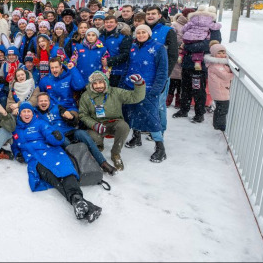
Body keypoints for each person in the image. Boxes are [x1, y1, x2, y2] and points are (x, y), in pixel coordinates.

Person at [12, 102, 102, 223]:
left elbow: (50, 134)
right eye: (24, 112)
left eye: (29, 111)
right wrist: (17, 153)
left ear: (33, 113)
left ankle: (77, 199)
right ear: (20, 114)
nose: (27, 114)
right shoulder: (16, 130)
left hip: (51, 152)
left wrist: (57, 137)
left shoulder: (40, 124)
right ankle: (80, 202)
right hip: (35, 159)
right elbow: (15, 145)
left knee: (65, 171)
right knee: (53, 178)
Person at [34, 92, 116, 176]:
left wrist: (71, 117)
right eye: (41, 101)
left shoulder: (57, 108)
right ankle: (81, 167)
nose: (43, 103)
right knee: (69, 146)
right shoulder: (35, 113)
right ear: (37, 103)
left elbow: (73, 122)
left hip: (70, 131)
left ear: (49, 101)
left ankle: (103, 163)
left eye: (45, 100)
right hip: (58, 136)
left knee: (83, 134)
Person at [79, 71, 146, 171]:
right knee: (92, 137)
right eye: (95, 83)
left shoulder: (115, 92)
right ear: (91, 84)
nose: (98, 86)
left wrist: (139, 84)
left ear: (105, 82)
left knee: (124, 127)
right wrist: (94, 125)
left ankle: (115, 153)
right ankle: (98, 145)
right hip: (97, 125)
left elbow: (135, 97)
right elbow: (83, 115)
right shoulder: (86, 96)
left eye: (100, 82)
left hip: (114, 123)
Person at [122, 25, 168, 163]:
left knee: (151, 117)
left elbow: (162, 71)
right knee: (132, 113)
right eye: (138, 32)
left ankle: (160, 147)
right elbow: (128, 66)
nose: (141, 35)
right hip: (130, 86)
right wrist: (122, 83)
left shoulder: (159, 48)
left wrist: (156, 90)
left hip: (147, 88)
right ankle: (136, 137)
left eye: (143, 32)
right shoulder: (133, 47)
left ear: (149, 34)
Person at [178, 5, 222, 71]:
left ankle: (181, 56)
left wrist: (187, 46)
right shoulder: (212, 25)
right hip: (192, 62)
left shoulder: (193, 22)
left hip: (199, 63)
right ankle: (196, 61)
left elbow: (213, 44)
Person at [205, 43, 233, 131]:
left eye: (223, 53)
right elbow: (225, 76)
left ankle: (217, 125)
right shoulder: (216, 65)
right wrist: (233, 73)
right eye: (219, 53)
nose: (222, 55)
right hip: (220, 90)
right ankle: (220, 126)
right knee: (223, 109)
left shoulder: (218, 64)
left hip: (220, 89)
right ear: (214, 54)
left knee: (220, 108)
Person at [100, 15, 132, 88]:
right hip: (102, 71)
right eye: (107, 22)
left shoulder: (124, 36)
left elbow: (126, 54)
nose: (109, 24)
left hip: (117, 72)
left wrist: (109, 61)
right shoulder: (100, 36)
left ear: (116, 23)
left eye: (111, 22)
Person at [168, 12, 190, 107]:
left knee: (182, 82)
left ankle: (178, 100)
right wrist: (180, 44)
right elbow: (171, 39)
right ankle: (169, 99)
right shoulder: (175, 25)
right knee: (173, 80)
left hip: (185, 55)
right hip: (176, 53)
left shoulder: (192, 26)